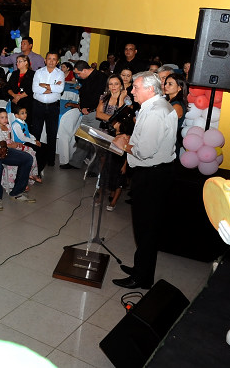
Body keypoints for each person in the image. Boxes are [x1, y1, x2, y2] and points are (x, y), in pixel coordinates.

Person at [112, 72, 177, 289]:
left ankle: (142, 278)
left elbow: (146, 151)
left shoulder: (156, 112)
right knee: (145, 227)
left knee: (146, 228)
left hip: (152, 175)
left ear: (150, 89)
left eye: (136, 87)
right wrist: (131, 139)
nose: (131, 90)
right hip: (155, 173)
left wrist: (124, 145)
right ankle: (141, 267)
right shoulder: (155, 106)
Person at [62, 60, 108, 170]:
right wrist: (82, 106)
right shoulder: (86, 78)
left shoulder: (100, 77)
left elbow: (99, 97)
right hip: (85, 112)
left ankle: (95, 169)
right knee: (82, 138)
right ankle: (75, 162)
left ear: (86, 70)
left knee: (96, 142)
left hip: (95, 113)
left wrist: (90, 108)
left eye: (78, 73)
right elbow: (84, 94)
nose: (78, 76)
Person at [96, 75, 132, 211]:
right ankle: (101, 191)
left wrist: (121, 98)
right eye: (111, 84)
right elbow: (98, 114)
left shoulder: (127, 99)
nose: (113, 86)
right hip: (104, 133)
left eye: (116, 83)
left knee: (115, 165)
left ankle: (113, 193)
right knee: (103, 163)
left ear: (121, 85)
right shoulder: (103, 97)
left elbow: (125, 117)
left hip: (118, 136)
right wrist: (113, 120)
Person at [30, 52, 64, 170]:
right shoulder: (38, 72)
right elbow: (34, 88)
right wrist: (52, 88)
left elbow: (60, 89)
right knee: (36, 132)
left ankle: (50, 160)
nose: (51, 61)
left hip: (53, 107)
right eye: (49, 59)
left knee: (52, 133)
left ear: (57, 62)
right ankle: (34, 156)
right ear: (45, 60)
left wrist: (44, 85)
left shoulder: (60, 74)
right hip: (38, 105)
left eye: (54, 59)